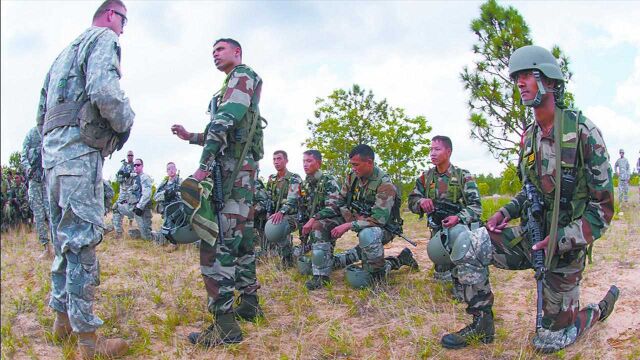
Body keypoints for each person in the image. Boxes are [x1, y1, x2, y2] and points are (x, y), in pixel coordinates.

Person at [439, 45, 619, 353]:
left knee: (549, 341)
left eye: (527, 75)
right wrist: (506, 211)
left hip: (565, 247)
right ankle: (481, 324)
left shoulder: (583, 132)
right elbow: (530, 190)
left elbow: (602, 209)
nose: (520, 83)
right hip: (532, 236)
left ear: (549, 79)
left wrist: (560, 239)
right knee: (466, 243)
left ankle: (596, 312)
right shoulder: (530, 136)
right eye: (516, 78)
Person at [35, 1, 134, 358]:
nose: (124, 29)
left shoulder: (63, 53)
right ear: (112, 15)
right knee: (82, 245)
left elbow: (40, 113)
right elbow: (105, 92)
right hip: (79, 156)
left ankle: (60, 320)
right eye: (124, 21)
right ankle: (88, 341)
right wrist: (126, 122)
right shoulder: (102, 39)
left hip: (54, 159)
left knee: (65, 241)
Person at [170, 37, 264, 347]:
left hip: (232, 174)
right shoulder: (234, 84)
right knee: (243, 241)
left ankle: (226, 325)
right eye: (212, 51)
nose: (215, 54)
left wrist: (202, 166)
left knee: (217, 243)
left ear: (237, 52)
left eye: (220, 49)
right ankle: (249, 304)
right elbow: (227, 130)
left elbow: (224, 123)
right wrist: (191, 136)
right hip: (242, 175)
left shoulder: (242, 75)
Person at [312, 144, 418, 287]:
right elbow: (339, 202)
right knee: (319, 225)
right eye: (352, 165)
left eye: (356, 165)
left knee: (368, 239)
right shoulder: (352, 177)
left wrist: (349, 225)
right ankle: (321, 275)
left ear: (369, 162)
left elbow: (378, 219)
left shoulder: (385, 184)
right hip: (356, 218)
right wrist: (350, 218)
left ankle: (397, 261)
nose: (353, 168)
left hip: (382, 227)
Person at [408, 135, 482, 298]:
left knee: (461, 266)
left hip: (460, 231)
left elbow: (476, 207)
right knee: (441, 276)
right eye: (431, 149)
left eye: (437, 149)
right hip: (438, 233)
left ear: (448, 152)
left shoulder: (463, 176)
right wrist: (421, 201)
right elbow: (411, 201)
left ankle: (463, 279)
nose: (432, 153)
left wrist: (459, 218)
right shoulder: (425, 178)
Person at [296, 150, 362, 289]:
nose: (305, 164)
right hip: (317, 221)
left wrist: (313, 219)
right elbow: (302, 208)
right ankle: (355, 255)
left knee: (318, 227)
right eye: (304, 161)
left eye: (309, 161)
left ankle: (321, 277)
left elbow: (333, 207)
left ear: (318, 163)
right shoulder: (304, 185)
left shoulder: (328, 181)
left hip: (334, 219)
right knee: (318, 260)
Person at [264, 150, 303, 267]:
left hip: (293, 215)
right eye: (274, 159)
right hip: (277, 214)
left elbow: (293, 199)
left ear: (286, 161)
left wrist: (281, 212)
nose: (276, 162)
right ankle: (266, 251)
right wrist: (268, 213)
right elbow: (268, 198)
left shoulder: (294, 178)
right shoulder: (272, 179)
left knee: (278, 226)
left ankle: (287, 260)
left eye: (279, 159)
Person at [22, 126, 52, 259]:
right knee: (39, 216)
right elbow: (23, 156)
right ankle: (46, 248)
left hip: (47, 180)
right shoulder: (31, 134)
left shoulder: (50, 131)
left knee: (52, 213)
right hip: (34, 181)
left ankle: (58, 246)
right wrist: (29, 169)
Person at [152, 161, 181, 248]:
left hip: (179, 209)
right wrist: (165, 194)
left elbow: (186, 195)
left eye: (172, 168)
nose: (171, 170)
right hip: (166, 210)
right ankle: (159, 235)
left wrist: (176, 193)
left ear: (175, 169)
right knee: (161, 241)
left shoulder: (181, 181)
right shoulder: (164, 183)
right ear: (167, 171)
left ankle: (174, 242)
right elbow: (155, 197)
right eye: (169, 169)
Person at [126, 158, 153, 240]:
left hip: (143, 209)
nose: (136, 166)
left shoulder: (145, 177)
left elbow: (147, 194)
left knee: (147, 237)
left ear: (142, 166)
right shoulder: (135, 178)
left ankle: (160, 236)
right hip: (135, 208)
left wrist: (139, 207)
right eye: (134, 165)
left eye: (138, 165)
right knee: (117, 208)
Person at [112, 150, 135, 238]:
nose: (130, 157)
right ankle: (118, 232)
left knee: (133, 210)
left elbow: (138, 174)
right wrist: (120, 175)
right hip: (123, 192)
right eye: (128, 155)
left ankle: (133, 225)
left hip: (132, 193)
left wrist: (129, 174)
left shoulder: (135, 165)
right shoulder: (123, 166)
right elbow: (118, 178)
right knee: (116, 208)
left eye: (131, 155)